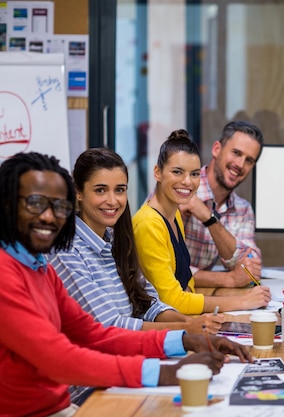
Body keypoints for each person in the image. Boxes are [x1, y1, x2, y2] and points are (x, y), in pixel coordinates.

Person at [0, 152, 253, 417]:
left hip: (62, 405)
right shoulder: (9, 274)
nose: (50, 217)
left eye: (58, 207)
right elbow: (58, 358)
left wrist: (186, 339)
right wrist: (168, 370)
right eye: (36, 203)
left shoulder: (40, 267)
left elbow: (96, 334)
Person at [133, 129, 271, 314]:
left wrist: (208, 218)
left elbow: (186, 281)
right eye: (177, 172)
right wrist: (238, 295)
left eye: (194, 174)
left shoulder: (173, 214)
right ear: (157, 173)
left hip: (182, 310)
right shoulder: (153, 218)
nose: (187, 182)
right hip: (159, 320)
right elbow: (171, 298)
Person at [181, 121, 264, 289]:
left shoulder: (243, 209)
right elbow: (164, 270)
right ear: (216, 149)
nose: (240, 165)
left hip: (198, 298)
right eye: (236, 153)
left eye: (249, 160)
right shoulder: (181, 187)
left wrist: (209, 219)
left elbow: (251, 270)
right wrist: (229, 279)